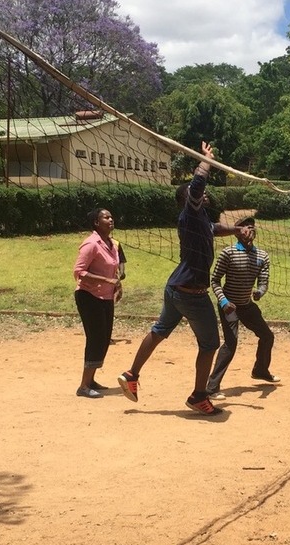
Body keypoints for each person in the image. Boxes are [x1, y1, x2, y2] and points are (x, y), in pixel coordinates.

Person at [117, 141, 253, 415]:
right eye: (198, 196)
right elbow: (197, 186)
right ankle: (198, 396)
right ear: (189, 199)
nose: (204, 197)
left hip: (175, 287)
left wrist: (237, 229)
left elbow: (214, 227)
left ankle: (131, 375)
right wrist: (207, 160)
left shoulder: (200, 218)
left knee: (159, 331)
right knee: (211, 344)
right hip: (191, 292)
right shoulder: (189, 215)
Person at [205, 216, 279, 399]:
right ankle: (212, 387)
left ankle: (260, 370)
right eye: (245, 228)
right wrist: (223, 302)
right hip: (229, 306)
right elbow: (214, 281)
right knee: (231, 343)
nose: (249, 231)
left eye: (252, 227)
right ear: (236, 232)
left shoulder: (262, 256)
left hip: (247, 305)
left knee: (267, 336)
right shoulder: (228, 253)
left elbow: (263, 281)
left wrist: (260, 292)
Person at [73, 208, 122, 398]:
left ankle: (91, 379)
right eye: (106, 217)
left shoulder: (112, 244)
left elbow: (113, 270)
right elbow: (79, 271)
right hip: (88, 296)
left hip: (106, 297)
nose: (111, 219)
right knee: (95, 339)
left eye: (111, 216)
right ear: (96, 222)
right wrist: (106, 281)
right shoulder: (91, 244)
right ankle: (83, 386)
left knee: (104, 339)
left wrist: (117, 285)